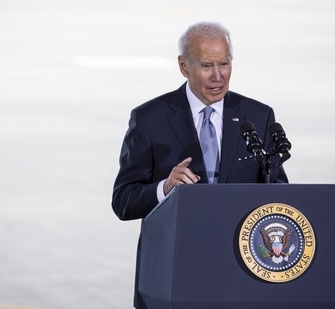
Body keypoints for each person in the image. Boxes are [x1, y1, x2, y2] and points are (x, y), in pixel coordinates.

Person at [111, 21, 288, 309]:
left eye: (225, 64)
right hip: (173, 274)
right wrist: (165, 188)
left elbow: (280, 192)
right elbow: (123, 201)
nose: (218, 76)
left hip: (241, 272)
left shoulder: (258, 115)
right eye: (207, 65)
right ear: (184, 66)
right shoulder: (149, 119)